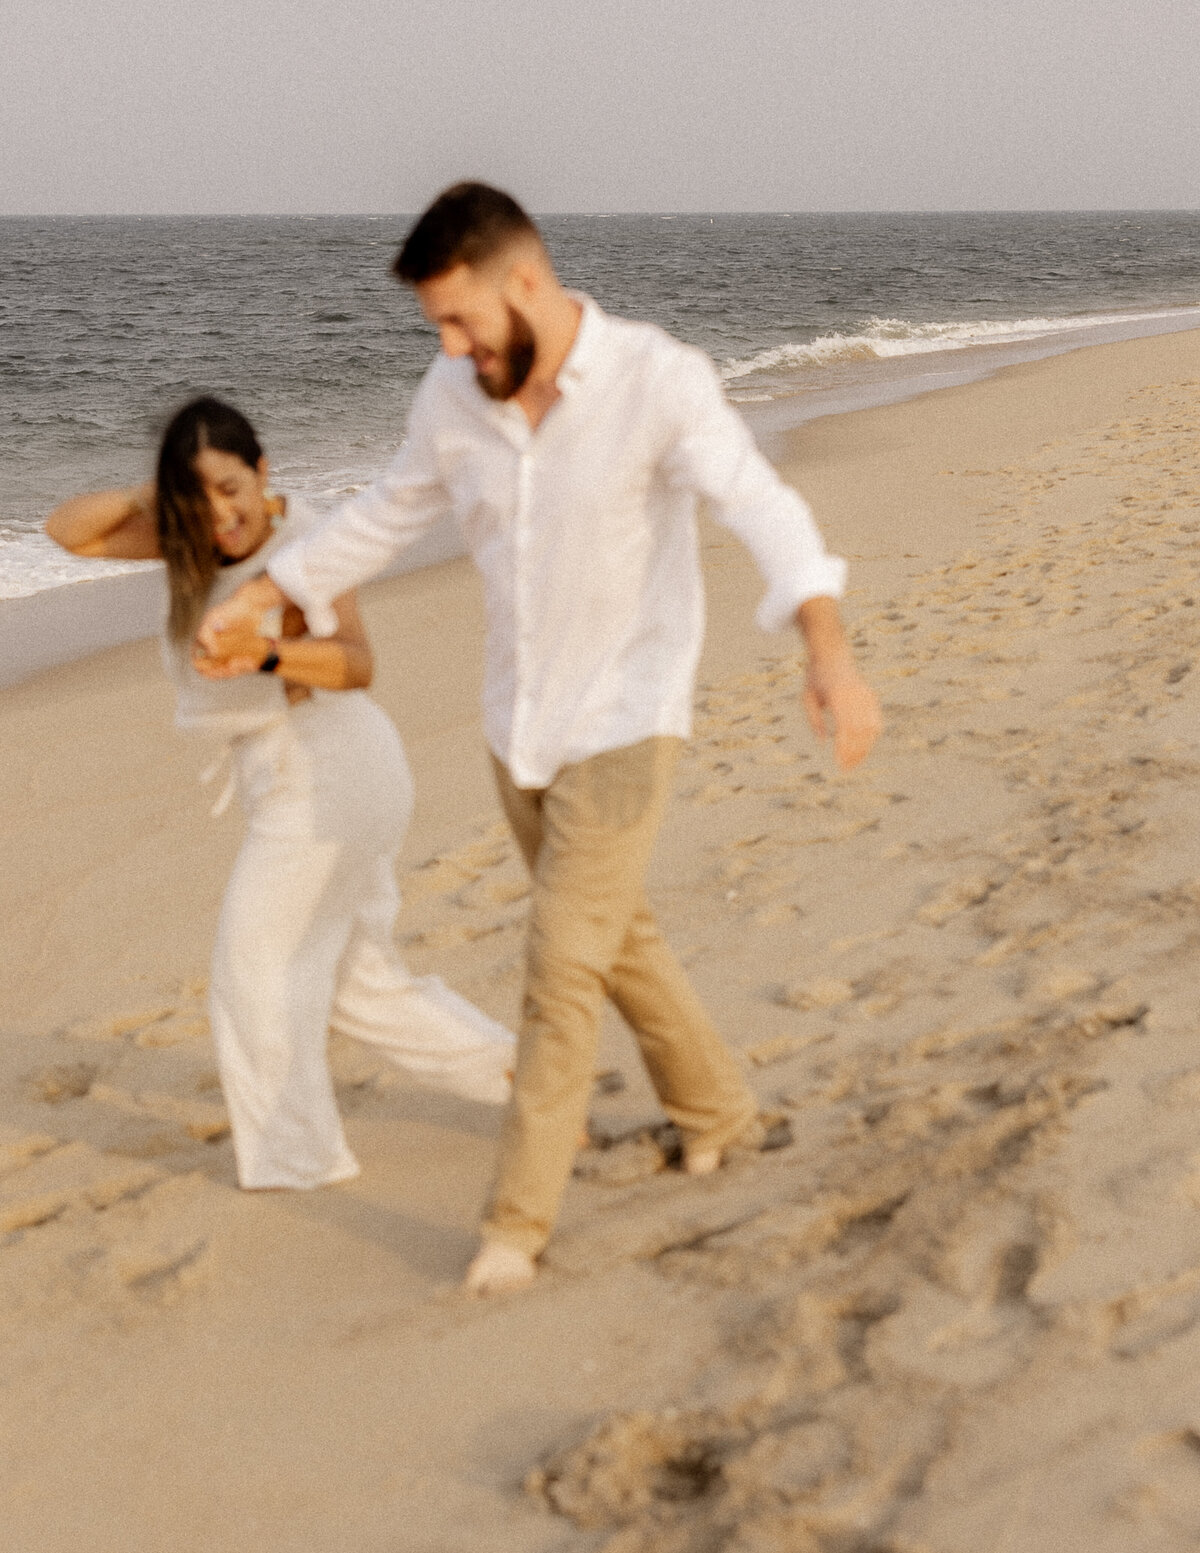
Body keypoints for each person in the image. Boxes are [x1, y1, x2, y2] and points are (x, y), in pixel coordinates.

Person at [197, 185, 882, 1291]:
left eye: (462, 322)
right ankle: (718, 1109)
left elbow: (762, 504)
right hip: (517, 729)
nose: (453, 347)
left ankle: (515, 1228)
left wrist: (828, 648)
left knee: (559, 967)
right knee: (618, 938)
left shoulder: (658, 380)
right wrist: (266, 593)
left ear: (525, 281)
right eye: (438, 330)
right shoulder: (453, 395)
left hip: (626, 721)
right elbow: (386, 510)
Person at [46, 395, 515, 1191]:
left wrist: (266, 655)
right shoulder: (190, 539)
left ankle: (297, 1159)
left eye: (232, 488)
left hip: (329, 768)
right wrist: (154, 495)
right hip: (285, 777)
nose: (221, 514)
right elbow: (70, 531)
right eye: (198, 498)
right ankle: (524, 1077)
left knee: (253, 970)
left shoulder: (308, 546)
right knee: (357, 981)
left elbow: (357, 663)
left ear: (264, 472)